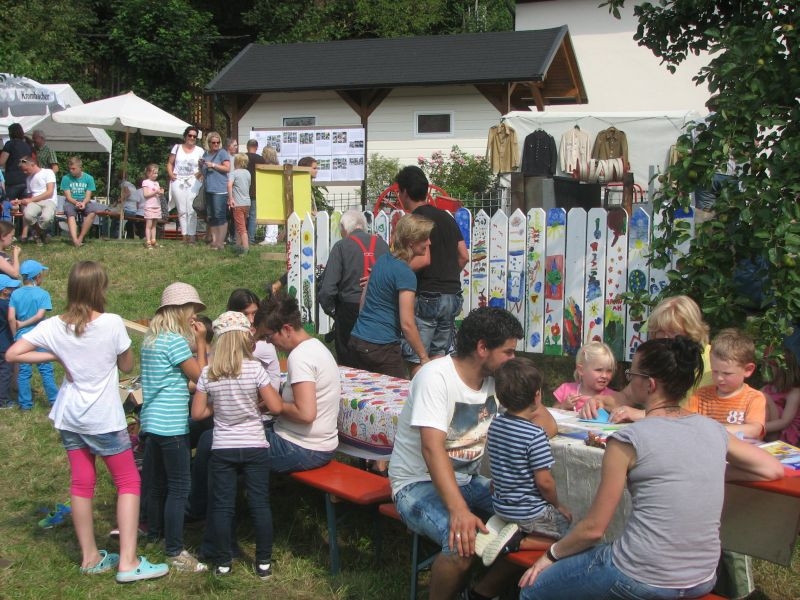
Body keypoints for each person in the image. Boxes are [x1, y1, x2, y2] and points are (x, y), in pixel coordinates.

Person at [516, 336, 783, 600]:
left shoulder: (627, 440)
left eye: (632, 374)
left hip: (642, 575)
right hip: (702, 577)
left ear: (650, 384)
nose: (629, 380)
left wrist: (550, 555)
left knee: (532, 590)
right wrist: (701, 470)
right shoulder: (713, 429)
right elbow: (771, 469)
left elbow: (593, 529)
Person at [5, 261, 169, 583]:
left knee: (82, 483)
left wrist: (56, 355)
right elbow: (127, 365)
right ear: (99, 289)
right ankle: (128, 561)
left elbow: (13, 353)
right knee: (128, 482)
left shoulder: (54, 325)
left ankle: (90, 557)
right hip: (102, 417)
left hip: (70, 416)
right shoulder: (111, 323)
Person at [388, 307, 534, 600]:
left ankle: (480, 593)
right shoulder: (435, 377)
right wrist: (458, 511)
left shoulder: (498, 380)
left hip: (468, 481)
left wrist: (533, 397)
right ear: (482, 348)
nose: (513, 358)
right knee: (461, 545)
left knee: (535, 521)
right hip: (415, 483)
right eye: (508, 352)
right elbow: (432, 449)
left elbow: (541, 420)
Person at [190, 311, 283, 579]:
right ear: (245, 339)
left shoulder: (209, 372)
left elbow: (197, 413)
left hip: (223, 446)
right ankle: (263, 562)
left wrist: (218, 407)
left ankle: (223, 562)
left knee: (222, 506)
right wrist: (254, 404)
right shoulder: (255, 369)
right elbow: (276, 406)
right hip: (254, 444)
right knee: (259, 504)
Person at [139, 282, 208, 573]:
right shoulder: (176, 342)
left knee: (156, 483)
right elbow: (202, 377)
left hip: (151, 421)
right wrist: (201, 342)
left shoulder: (151, 339)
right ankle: (175, 550)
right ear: (180, 311)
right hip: (172, 424)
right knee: (180, 487)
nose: (194, 316)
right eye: (191, 310)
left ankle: (154, 534)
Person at [476, 358, 572, 568]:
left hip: (500, 503)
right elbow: (544, 482)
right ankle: (518, 541)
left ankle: (502, 527)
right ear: (537, 395)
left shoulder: (495, 424)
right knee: (569, 533)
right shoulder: (535, 435)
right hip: (528, 511)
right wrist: (557, 505)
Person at [581, 294, 712, 422]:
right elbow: (627, 396)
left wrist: (642, 414)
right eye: (660, 331)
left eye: (674, 332)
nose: (666, 337)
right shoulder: (657, 357)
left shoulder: (713, 362)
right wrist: (599, 401)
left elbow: (704, 418)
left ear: (691, 331)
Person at [254, 294, 340, 472]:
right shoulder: (315, 346)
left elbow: (306, 414)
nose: (269, 343)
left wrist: (276, 405)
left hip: (303, 447)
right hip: (314, 445)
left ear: (286, 329)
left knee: (219, 441)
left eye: (269, 337)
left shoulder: (300, 357)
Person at [396, 165, 468, 377]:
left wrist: (396, 272)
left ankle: (420, 394)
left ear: (404, 192)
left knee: (417, 356)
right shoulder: (447, 218)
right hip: (452, 295)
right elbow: (463, 256)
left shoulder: (414, 221)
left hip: (428, 294)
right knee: (439, 357)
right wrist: (448, 275)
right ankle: (436, 393)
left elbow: (423, 260)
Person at [349, 213, 433, 379]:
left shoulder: (382, 260)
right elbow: (407, 324)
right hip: (381, 347)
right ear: (411, 241)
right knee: (398, 393)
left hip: (358, 339)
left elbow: (363, 301)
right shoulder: (405, 274)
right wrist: (424, 357)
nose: (429, 242)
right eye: (425, 239)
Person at [317, 209, 390, 367]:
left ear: (344, 227)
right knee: (377, 360)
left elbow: (327, 290)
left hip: (349, 309)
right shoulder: (383, 245)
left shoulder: (341, 246)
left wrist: (333, 311)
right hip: (379, 308)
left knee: (350, 362)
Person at [686, 328, 766, 440]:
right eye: (715, 371)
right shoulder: (700, 396)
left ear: (748, 370)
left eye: (727, 373)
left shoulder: (753, 398)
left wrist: (714, 430)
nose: (719, 378)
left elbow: (754, 430)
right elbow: (688, 424)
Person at [9, 259, 58, 410]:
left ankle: (25, 404)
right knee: (46, 370)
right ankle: (54, 400)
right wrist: (25, 324)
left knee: (23, 372)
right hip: (40, 337)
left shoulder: (15, 294)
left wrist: (16, 334)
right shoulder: (43, 294)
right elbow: (39, 316)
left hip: (22, 338)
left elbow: (11, 318)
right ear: (37, 277)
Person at [552, 341, 616, 411]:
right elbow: (552, 412)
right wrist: (563, 406)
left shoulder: (612, 397)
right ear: (581, 370)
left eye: (609, 371)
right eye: (599, 370)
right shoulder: (566, 389)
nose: (604, 375)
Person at [167, 126, 204, 244]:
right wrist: (171, 174)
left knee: (192, 209)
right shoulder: (177, 147)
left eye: (194, 136)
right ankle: (184, 236)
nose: (192, 138)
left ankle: (192, 235)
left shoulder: (200, 150)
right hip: (178, 180)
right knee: (182, 210)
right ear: (185, 136)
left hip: (193, 181)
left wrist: (199, 174)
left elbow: (203, 166)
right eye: (190, 135)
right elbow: (170, 163)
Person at [61, 156, 103, 248]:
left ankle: (80, 237)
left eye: (73, 169)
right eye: (70, 169)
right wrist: (76, 202)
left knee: (93, 211)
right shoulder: (66, 178)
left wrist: (83, 203)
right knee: (70, 213)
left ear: (80, 167)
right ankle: (75, 240)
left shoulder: (89, 178)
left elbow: (88, 196)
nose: (71, 171)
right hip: (71, 201)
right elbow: (68, 197)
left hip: (84, 201)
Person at [200, 131, 231, 250]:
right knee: (211, 216)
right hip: (209, 188)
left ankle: (220, 242)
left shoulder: (222, 153)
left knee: (220, 216)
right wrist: (201, 165)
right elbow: (204, 172)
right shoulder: (206, 154)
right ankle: (214, 241)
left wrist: (213, 165)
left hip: (220, 189)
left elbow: (227, 168)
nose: (216, 144)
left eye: (218, 142)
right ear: (209, 143)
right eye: (213, 142)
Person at [16, 155, 56, 245]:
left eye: (26, 169)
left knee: (46, 218)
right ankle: (41, 233)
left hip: (49, 201)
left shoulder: (48, 172)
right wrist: (21, 201)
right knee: (27, 215)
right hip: (35, 202)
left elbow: (49, 192)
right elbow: (30, 196)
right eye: (23, 170)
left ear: (33, 164)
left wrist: (30, 200)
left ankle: (37, 234)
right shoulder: (28, 179)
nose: (25, 172)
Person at [763, 348, 800, 444]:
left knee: (764, 397)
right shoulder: (767, 388)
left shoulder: (794, 393)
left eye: (769, 367)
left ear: (782, 369)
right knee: (757, 397)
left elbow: (785, 422)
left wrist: (758, 427)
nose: (765, 370)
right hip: (767, 426)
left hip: (784, 432)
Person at [0, 273, 21, 409]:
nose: (13, 290)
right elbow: (14, 319)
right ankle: (3, 401)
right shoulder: (7, 306)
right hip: (4, 344)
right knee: (5, 372)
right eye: (11, 288)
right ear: (4, 291)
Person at [0, 123, 34, 203]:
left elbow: (2, 161)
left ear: (11, 133)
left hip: (12, 181)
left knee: (9, 205)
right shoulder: (27, 146)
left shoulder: (10, 144)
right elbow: (24, 161)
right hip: (25, 180)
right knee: (24, 205)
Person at [227, 153, 251, 255]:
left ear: (236, 162)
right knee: (240, 225)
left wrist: (230, 198)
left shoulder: (234, 173)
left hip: (238, 203)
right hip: (247, 203)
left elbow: (229, 185)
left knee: (241, 228)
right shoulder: (248, 173)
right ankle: (238, 245)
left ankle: (245, 249)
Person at [245, 139, 265, 245]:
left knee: (240, 215)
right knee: (253, 215)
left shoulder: (242, 157)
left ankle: (237, 238)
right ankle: (251, 239)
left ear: (247, 146)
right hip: (255, 190)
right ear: (256, 147)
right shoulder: (260, 159)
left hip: (242, 190)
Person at [258, 146, 279, 246]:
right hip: (276, 192)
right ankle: (273, 237)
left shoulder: (266, 167)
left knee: (269, 215)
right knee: (276, 215)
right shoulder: (278, 166)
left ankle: (269, 237)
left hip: (268, 192)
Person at [141, 164, 165, 250]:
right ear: (148, 173)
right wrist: (155, 192)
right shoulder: (145, 182)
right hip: (149, 206)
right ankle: (148, 242)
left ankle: (153, 241)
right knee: (149, 225)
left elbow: (157, 194)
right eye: (154, 173)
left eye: (157, 173)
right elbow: (146, 195)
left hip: (157, 206)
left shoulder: (157, 183)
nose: (156, 175)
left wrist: (161, 193)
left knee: (154, 226)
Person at [118, 171, 144, 240]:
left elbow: (127, 193)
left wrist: (120, 200)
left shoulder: (123, 184)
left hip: (128, 209)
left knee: (115, 217)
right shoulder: (132, 185)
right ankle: (131, 236)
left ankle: (113, 234)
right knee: (130, 222)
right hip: (134, 210)